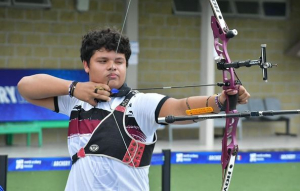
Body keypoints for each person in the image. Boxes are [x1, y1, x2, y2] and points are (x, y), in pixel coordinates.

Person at [18, 28, 250, 191]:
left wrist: (220, 101)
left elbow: (180, 107)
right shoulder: (74, 101)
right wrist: (74, 88)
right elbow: (25, 87)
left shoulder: (139, 104)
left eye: (119, 61)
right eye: (103, 61)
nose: (112, 67)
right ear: (86, 65)